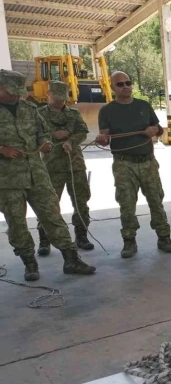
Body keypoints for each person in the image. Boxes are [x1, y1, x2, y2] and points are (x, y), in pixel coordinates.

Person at [0, 70, 95, 281]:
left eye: (19, 92)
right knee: (16, 222)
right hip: (8, 179)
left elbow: (42, 132)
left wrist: (45, 142)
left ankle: (71, 258)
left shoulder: (29, 109)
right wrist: (2, 149)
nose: (17, 96)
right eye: (11, 92)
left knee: (52, 215)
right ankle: (29, 263)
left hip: (37, 173)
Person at [96, 71, 171, 258]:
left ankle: (164, 237)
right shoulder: (107, 111)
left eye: (127, 83)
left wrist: (154, 130)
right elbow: (105, 137)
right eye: (120, 84)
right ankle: (129, 241)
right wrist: (102, 139)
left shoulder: (143, 106)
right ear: (113, 87)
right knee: (126, 203)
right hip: (124, 164)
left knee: (156, 200)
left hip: (147, 161)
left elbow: (159, 129)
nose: (125, 86)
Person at [37, 80, 94, 255]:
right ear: (48, 94)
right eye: (57, 98)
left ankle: (81, 236)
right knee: (49, 205)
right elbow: (34, 135)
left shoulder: (74, 114)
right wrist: (53, 136)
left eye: (63, 98)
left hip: (74, 164)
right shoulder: (38, 114)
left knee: (81, 202)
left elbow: (83, 131)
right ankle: (45, 240)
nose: (60, 102)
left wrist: (71, 141)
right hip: (51, 166)